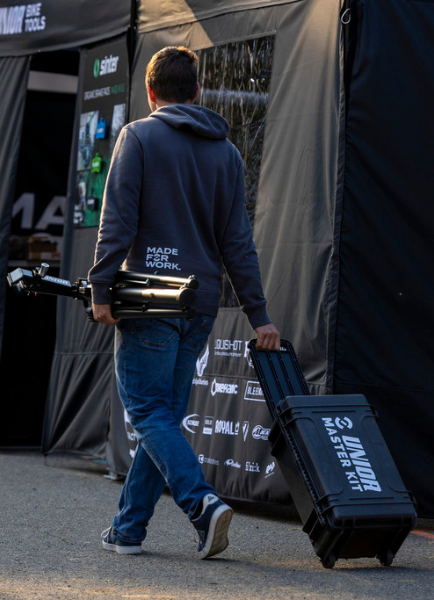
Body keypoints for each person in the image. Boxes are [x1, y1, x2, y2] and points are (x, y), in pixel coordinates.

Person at [88, 46, 280, 559]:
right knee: (164, 416)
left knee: (147, 411)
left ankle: (201, 503)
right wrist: (258, 315)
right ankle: (128, 529)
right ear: (197, 91)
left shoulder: (138, 136)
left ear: (150, 93)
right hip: (199, 304)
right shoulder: (228, 154)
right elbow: (238, 244)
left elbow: (117, 222)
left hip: (147, 296)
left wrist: (101, 288)